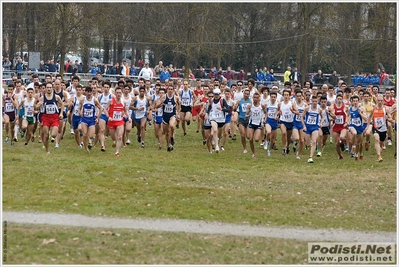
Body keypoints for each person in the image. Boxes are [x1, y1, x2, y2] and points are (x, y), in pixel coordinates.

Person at [35, 82, 64, 154]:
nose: (48, 89)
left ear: (52, 88)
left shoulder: (56, 97)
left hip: (54, 117)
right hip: (46, 117)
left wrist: (61, 113)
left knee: (54, 134)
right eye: (47, 87)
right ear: (46, 89)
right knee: (46, 135)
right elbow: (36, 107)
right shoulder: (42, 98)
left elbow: (62, 104)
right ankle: (47, 150)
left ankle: (52, 138)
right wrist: (39, 105)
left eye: (50, 87)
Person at [104, 87, 131, 157]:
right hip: (112, 121)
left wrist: (128, 117)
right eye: (117, 93)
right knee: (113, 137)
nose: (119, 94)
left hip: (120, 121)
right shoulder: (111, 101)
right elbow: (105, 109)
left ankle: (117, 152)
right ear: (115, 93)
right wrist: (108, 116)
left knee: (119, 137)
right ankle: (114, 141)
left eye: (120, 93)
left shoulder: (123, 102)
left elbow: (125, 110)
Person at [155, 84, 181, 151]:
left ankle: (172, 137)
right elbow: (157, 107)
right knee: (166, 132)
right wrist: (161, 103)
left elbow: (179, 104)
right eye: (169, 89)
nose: (170, 90)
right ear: (167, 90)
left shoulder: (176, 97)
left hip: (172, 115)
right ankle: (168, 145)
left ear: (173, 90)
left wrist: (178, 113)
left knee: (172, 126)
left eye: (171, 89)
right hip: (165, 116)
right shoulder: (163, 97)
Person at [368, 94, 393, 162]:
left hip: (383, 128)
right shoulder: (373, 109)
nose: (380, 102)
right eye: (378, 100)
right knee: (376, 139)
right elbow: (370, 117)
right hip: (375, 127)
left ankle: (379, 148)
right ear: (376, 101)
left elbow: (390, 117)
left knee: (381, 142)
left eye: (381, 100)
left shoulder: (386, 109)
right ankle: (379, 156)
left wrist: (389, 118)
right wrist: (368, 125)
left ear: (383, 101)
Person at [204, 88, 230, 153]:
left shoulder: (222, 100)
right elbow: (209, 108)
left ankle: (216, 141)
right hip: (213, 117)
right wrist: (207, 114)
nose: (216, 96)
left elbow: (228, 109)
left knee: (219, 135)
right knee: (215, 129)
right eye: (215, 94)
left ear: (219, 94)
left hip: (221, 119)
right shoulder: (212, 100)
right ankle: (217, 146)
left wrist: (222, 109)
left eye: (217, 94)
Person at [79, 86, 102, 152]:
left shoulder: (94, 100)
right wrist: (80, 112)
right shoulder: (83, 100)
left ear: (92, 92)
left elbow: (100, 108)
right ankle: (86, 148)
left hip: (92, 119)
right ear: (85, 92)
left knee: (91, 136)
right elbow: (79, 107)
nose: (89, 93)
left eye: (90, 92)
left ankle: (89, 142)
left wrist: (98, 117)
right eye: (87, 92)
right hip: (84, 119)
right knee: (85, 134)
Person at [301, 96, 324, 163]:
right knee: (308, 144)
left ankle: (310, 157)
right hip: (307, 127)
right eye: (313, 101)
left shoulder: (319, 109)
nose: (314, 103)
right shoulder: (307, 108)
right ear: (311, 101)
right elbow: (302, 117)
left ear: (317, 102)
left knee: (314, 141)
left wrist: (321, 123)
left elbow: (322, 117)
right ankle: (311, 146)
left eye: (316, 101)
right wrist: (304, 126)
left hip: (315, 127)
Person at [244, 92, 267, 158]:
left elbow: (266, 113)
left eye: (257, 98)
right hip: (251, 123)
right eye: (254, 98)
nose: (255, 99)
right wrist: (248, 115)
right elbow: (246, 115)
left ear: (259, 98)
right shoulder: (250, 106)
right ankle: (253, 153)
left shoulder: (262, 106)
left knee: (256, 139)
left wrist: (265, 119)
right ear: (252, 98)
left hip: (258, 124)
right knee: (250, 139)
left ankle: (255, 135)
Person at [277, 89, 298, 155]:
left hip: (290, 122)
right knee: (283, 133)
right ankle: (284, 148)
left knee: (289, 138)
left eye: (287, 95)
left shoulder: (292, 103)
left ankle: (288, 146)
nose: (286, 96)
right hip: (283, 121)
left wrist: (293, 112)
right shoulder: (280, 104)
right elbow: (277, 110)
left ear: (289, 96)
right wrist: (276, 115)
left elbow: (297, 112)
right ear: (283, 96)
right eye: (285, 95)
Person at [347, 95, 368, 161]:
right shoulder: (350, 109)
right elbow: (348, 116)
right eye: (354, 101)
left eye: (356, 101)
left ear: (358, 101)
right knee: (354, 133)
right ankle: (353, 146)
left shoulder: (362, 108)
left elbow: (366, 119)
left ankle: (359, 153)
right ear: (352, 102)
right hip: (352, 125)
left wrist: (360, 113)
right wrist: (347, 122)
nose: (355, 102)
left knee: (359, 143)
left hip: (360, 127)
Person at [329, 93, 348, 159]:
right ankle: (340, 155)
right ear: (336, 99)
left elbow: (348, 115)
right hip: (336, 126)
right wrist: (331, 115)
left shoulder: (345, 107)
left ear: (342, 99)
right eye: (338, 99)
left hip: (343, 126)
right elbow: (333, 116)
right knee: (337, 143)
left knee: (342, 137)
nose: (339, 100)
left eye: (340, 99)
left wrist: (347, 122)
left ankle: (344, 144)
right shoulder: (333, 107)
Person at [234, 88, 251, 153]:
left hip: (248, 120)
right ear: (243, 94)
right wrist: (235, 106)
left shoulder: (250, 101)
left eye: (247, 94)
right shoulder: (240, 101)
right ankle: (245, 148)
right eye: (245, 94)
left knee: (248, 136)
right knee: (243, 135)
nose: (246, 95)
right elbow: (235, 109)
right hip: (241, 119)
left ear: (249, 95)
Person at [97, 81, 113, 151]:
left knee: (109, 132)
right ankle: (103, 145)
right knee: (102, 130)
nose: (106, 89)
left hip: (109, 115)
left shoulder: (112, 96)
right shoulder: (100, 96)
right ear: (102, 88)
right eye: (105, 87)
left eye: (107, 87)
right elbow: (97, 105)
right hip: (102, 115)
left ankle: (109, 139)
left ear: (109, 88)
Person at [292, 89, 307, 159]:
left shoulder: (305, 105)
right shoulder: (293, 103)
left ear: (302, 96)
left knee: (302, 140)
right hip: (295, 123)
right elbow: (291, 111)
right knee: (296, 138)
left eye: (300, 96)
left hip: (302, 124)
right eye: (297, 96)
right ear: (295, 96)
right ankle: (295, 143)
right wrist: (295, 112)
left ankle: (298, 154)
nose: (299, 97)